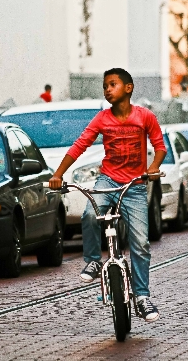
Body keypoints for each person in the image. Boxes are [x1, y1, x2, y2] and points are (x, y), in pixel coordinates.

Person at [49, 68, 167, 323]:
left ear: (128, 88)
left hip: (135, 185)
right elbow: (80, 145)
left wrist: (153, 167)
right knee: (90, 214)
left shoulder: (144, 116)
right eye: (104, 86)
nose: (107, 90)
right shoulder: (102, 119)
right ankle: (93, 261)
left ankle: (142, 297)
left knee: (141, 243)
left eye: (112, 84)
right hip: (108, 180)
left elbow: (160, 146)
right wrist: (58, 173)